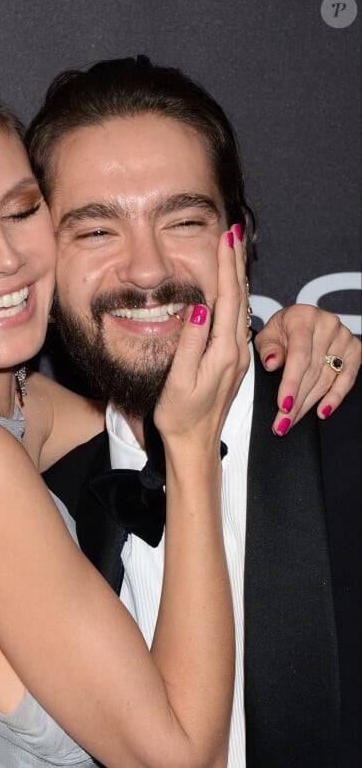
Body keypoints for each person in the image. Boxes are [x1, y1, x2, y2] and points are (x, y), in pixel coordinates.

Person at [0, 65, 355, 768]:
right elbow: (180, 757)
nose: (6, 258)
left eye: (21, 211)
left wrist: (291, 336)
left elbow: (104, 412)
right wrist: (190, 447)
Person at [29, 56, 362, 768]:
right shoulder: (36, 512)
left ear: (237, 239)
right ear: (40, 264)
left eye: (182, 220)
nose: (147, 271)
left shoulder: (345, 419)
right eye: (95, 231)